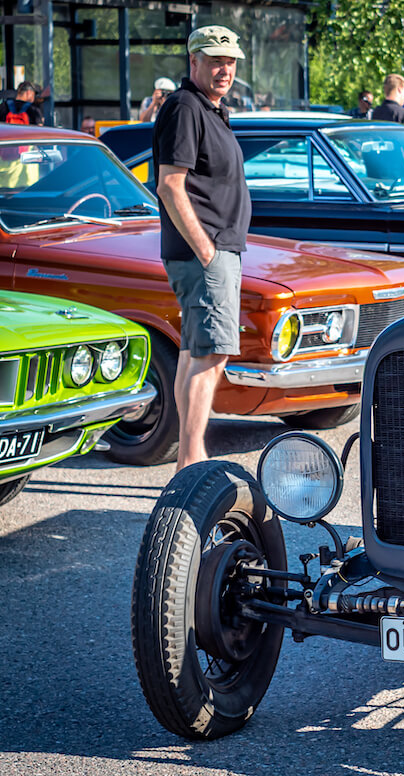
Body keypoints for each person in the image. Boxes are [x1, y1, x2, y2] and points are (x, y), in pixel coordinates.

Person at [153, 25, 251, 471]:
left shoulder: (211, 108)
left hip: (213, 250)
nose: (224, 69)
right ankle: (192, 462)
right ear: (193, 62)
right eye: (215, 60)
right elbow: (171, 186)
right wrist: (208, 251)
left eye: (229, 61)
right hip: (204, 253)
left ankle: (186, 459)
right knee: (211, 353)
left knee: (196, 352)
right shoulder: (185, 106)